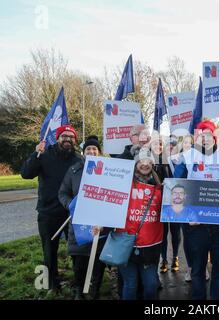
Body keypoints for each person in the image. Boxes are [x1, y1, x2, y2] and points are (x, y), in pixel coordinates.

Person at [174, 120, 219, 300]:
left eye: (208, 135)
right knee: (198, 269)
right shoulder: (187, 156)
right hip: (196, 224)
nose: (205, 139)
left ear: (215, 137)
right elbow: (176, 186)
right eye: (201, 135)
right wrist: (186, 215)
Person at [21, 124, 82, 292]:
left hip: (71, 213)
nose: (68, 139)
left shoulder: (79, 159)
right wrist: (36, 154)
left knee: (77, 251)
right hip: (48, 212)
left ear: (75, 140)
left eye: (71, 137)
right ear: (57, 138)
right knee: (49, 251)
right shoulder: (44, 155)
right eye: (64, 136)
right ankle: (52, 284)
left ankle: (79, 283)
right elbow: (26, 173)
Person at [58, 135, 109, 300]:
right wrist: (71, 205)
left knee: (98, 261)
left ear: (99, 152)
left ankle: (95, 289)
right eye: (88, 149)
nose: (92, 151)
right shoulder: (74, 170)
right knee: (79, 262)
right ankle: (79, 290)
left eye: (94, 149)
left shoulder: (109, 170)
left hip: (100, 223)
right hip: (79, 224)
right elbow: (63, 192)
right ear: (84, 152)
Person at [117, 147, 163, 300]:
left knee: (150, 286)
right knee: (130, 285)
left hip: (151, 245)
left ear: (153, 164)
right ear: (135, 164)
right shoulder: (122, 183)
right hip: (125, 243)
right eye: (141, 161)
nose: (145, 164)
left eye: (148, 161)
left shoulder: (161, 188)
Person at [149, 134, 181, 274]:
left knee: (175, 231)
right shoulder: (148, 162)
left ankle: (175, 257)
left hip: (172, 202)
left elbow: (179, 177)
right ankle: (164, 259)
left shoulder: (171, 161)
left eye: (161, 145)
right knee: (163, 233)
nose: (159, 147)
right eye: (156, 144)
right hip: (157, 203)